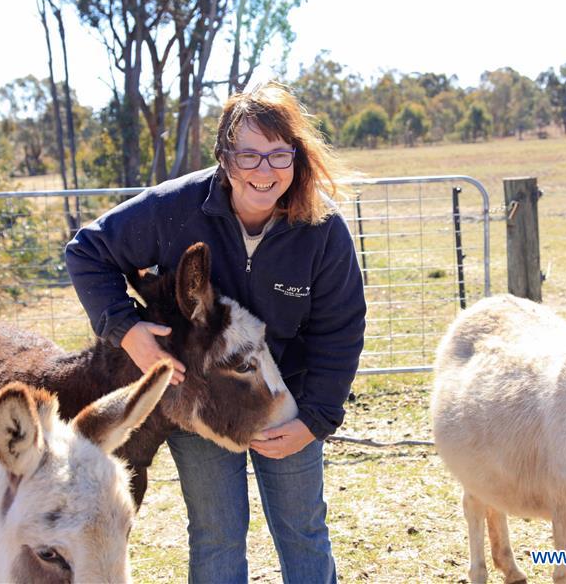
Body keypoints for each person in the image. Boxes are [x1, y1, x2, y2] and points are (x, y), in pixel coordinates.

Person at [65, 81, 366, 584]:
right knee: (216, 532)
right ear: (224, 159)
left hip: (282, 398)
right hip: (200, 400)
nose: (265, 171)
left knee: (303, 529)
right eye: (248, 155)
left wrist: (314, 418)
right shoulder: (174, 207)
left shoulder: (322, 231)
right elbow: (86, 253)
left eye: (278, 154)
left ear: (297, 157)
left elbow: (342, 329)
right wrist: (127, 329)